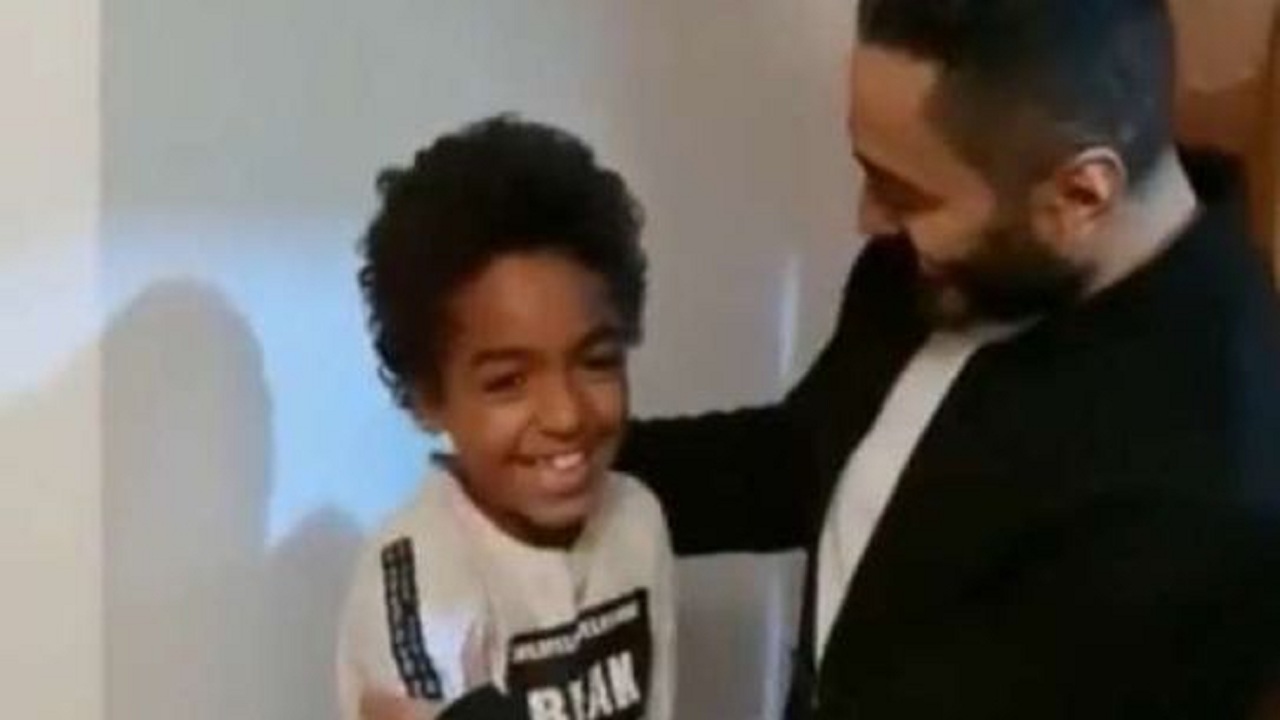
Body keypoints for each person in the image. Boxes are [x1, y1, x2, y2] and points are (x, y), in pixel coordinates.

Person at [617, 0, 1280, 718]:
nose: (868, 219)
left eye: (906, 194)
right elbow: (817, 461)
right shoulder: (945, 272)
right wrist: (566, 460)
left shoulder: (1212, 490)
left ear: (1079, 196)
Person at [339, 115, 675, 720]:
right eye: (508, 382)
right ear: (427, 396)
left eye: (597, 361)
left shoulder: (637, 521)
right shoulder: (414, 573)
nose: (566, 414)